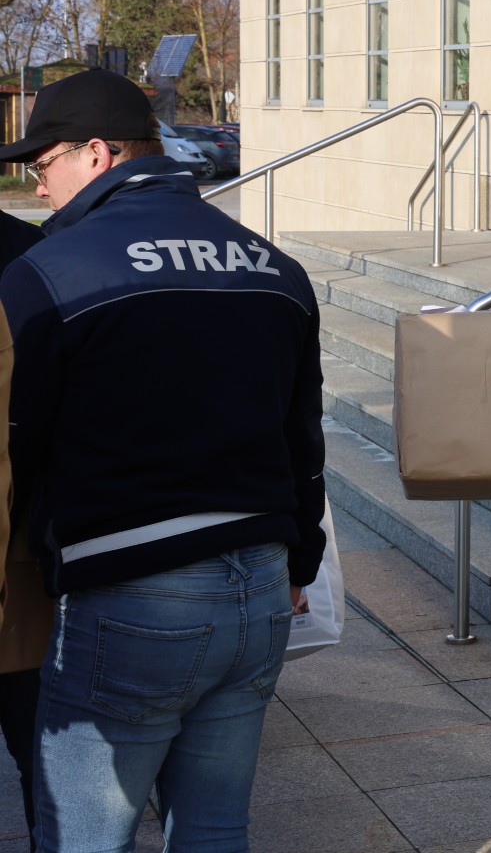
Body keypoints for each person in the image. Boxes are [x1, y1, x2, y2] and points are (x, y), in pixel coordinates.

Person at [0, 68, 327, 851]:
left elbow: (17, 449)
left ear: (97, 153)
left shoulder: (48, 272)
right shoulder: (273, 266)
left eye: (43, 165)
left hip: (133, 593)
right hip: (260, 590)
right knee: (213, 827)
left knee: (83, 838)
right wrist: (299, 565)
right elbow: (303, 440)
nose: (38, 187)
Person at [0, 210, 43, 851]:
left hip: (25, 559)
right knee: (42, 757)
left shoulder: (34, 253)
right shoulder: (37, 252)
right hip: (30, 557)